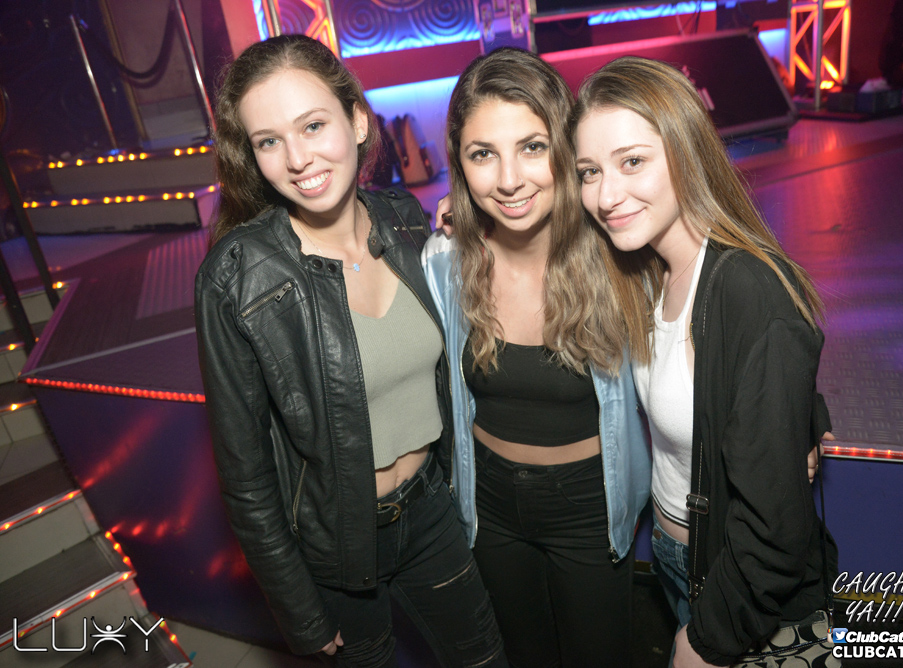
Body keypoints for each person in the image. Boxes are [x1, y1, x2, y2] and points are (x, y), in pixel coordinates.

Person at [194, 35, 506, 668]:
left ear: (358, 121)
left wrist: (474, 220)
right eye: (268, 141)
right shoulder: (237, 275)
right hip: (333, 546)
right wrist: (297, 608)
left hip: (431, 509)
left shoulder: (406, 219)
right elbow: (245, 476)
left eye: (313, 125)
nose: (297, 158)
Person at [573, 57, 838, 668]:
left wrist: (708, 639)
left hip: (733, 580)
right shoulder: (644, 268)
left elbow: (775, 534)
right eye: (590, 172)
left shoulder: (748, 290)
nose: (605, 196)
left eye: (632, 161)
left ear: (687, 151)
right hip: (674, 557)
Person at [421, 48, 651, 667]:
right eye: (482, 154)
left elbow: (712, 317)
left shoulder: (620, 256)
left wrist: (797, 407)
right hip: (489, 504)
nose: (509, 180)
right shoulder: (444, 265)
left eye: (531, 147)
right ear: (459, 163)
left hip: (590, 505)